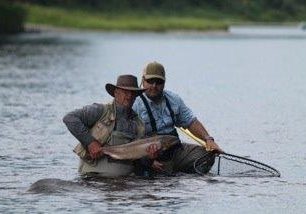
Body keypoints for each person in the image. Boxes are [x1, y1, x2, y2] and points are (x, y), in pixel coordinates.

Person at [133, 62, 223, 175]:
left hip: (175, 151)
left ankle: (183, 176)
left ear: (164, 83)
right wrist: (148, 161)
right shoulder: (135, 104)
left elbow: (191, 122)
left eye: (159, 82)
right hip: (148, 156)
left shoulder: (174, 99)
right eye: (150, 81)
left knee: (207, 155)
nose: (154, 86)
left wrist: (208, 139)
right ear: (143, 81)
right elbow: (129, 142)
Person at [63, 74, 146, 177]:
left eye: (133, 93)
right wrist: (90, 142)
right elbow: (69, 118)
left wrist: (149, 157)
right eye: (125, 92)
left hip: (126, 184)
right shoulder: (100, 110)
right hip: (93, 180)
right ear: (116, 93)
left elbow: (139, 161)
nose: (129, 96)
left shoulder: (139, 124)